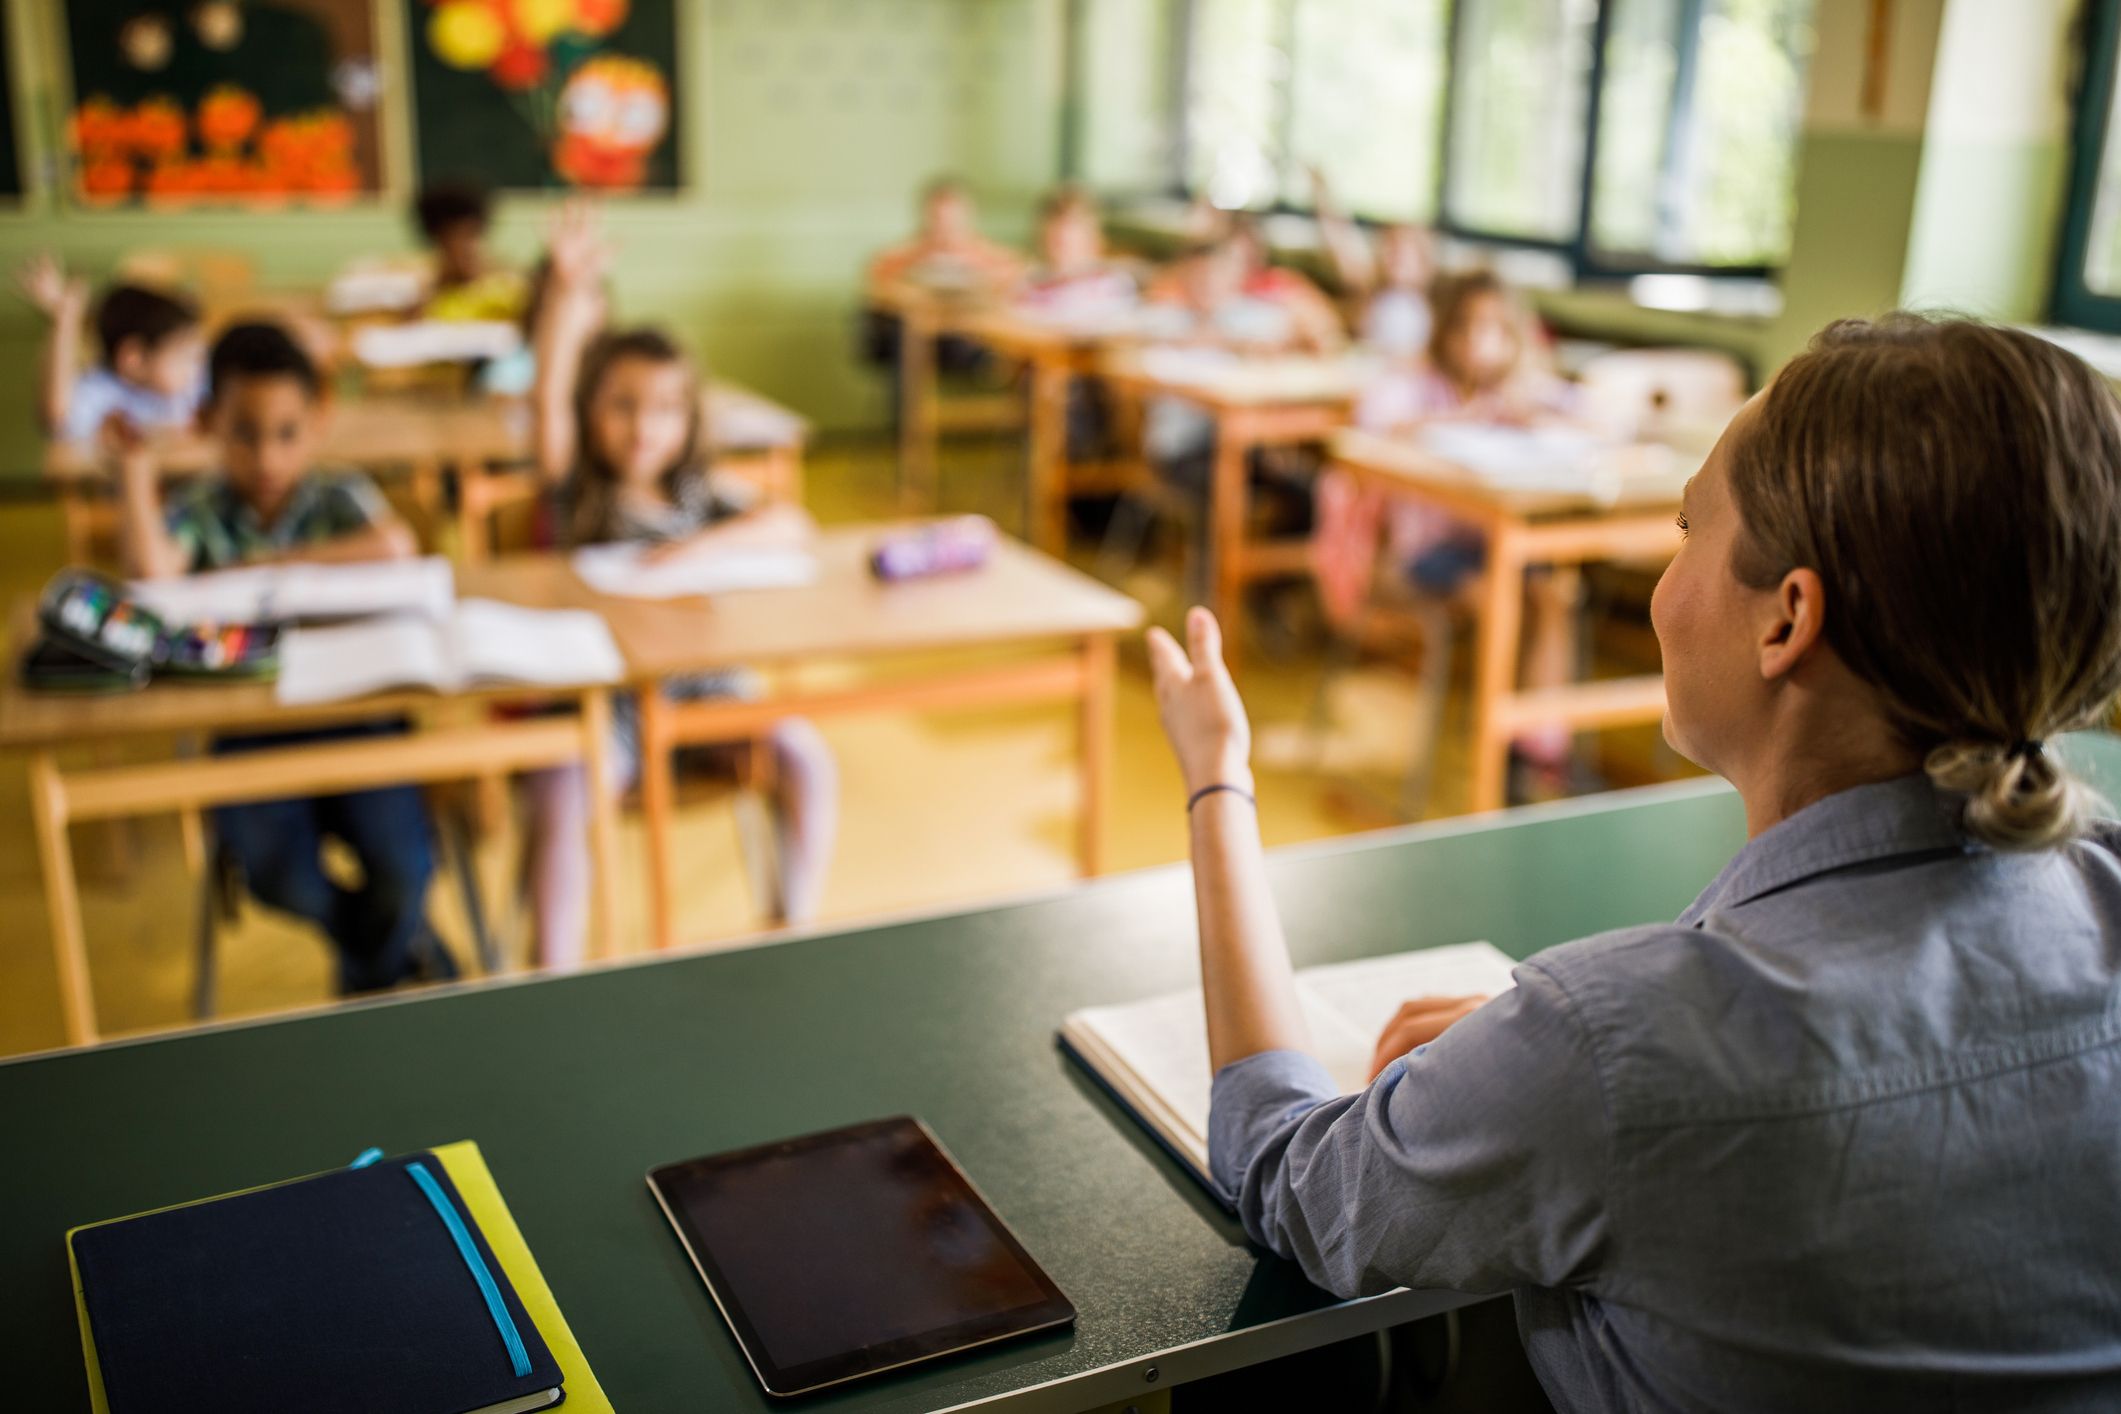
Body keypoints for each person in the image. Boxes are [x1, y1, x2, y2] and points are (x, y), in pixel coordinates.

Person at [1147, 314, 2121, 1410]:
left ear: (1787, 618)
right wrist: (1531, 1073)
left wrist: (1216, 777)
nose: (1665, 580)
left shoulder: (1611, 1050)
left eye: (1685, 527)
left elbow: (1285, 1176)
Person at [525, 204, 839, 966]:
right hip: (608, 702)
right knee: (564, 783)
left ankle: (788, 932)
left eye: (665, 409)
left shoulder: (697, 492)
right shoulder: (578, 491)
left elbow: (791, 524)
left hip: (705, 690)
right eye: (621, 406)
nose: (643, 429)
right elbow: (544, 402)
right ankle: (551, 975)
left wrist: (690, 550)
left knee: (804, 754)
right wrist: (566, 299)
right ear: (589, 411)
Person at [112, 321, 454, 993]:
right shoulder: (202, 507)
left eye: (286, 433)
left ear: (318, 421)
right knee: (281, 878)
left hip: (361, 717)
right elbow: (152, 577)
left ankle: (371, 973)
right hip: (250, 736)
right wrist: (133, 474)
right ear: (207, 422)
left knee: (404, 867)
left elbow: (393, 545)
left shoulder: (335, 495)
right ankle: (391, 958)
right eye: (243, 433)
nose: (266, 456)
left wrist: (272, 565)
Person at [1312, 269, 1583, 794]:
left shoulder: (1519, 391)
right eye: (1469, 328)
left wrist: (1538, 412)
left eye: (1498, 331)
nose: (1482, 344)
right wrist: (1462, 419)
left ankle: (1536, 752)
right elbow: (1366, 438)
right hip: (1420, 554)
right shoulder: (1410, 386)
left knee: (1553, 595)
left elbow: (1589, 417)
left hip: (1494, 543)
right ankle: (1498, 762)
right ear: (1446, 331)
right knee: (1498, 599)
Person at [18, 253, 206, 445]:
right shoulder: (103, 389)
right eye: (185, 358)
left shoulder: (193, 383)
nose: (195, 366)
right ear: (134, 359)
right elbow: (56, 419)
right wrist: (65, 321)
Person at [414, 180, 523, 323]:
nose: (467, 247)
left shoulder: (511, 286)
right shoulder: (431, 297)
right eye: (455, 238)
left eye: (472, 235)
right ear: (440, 243)